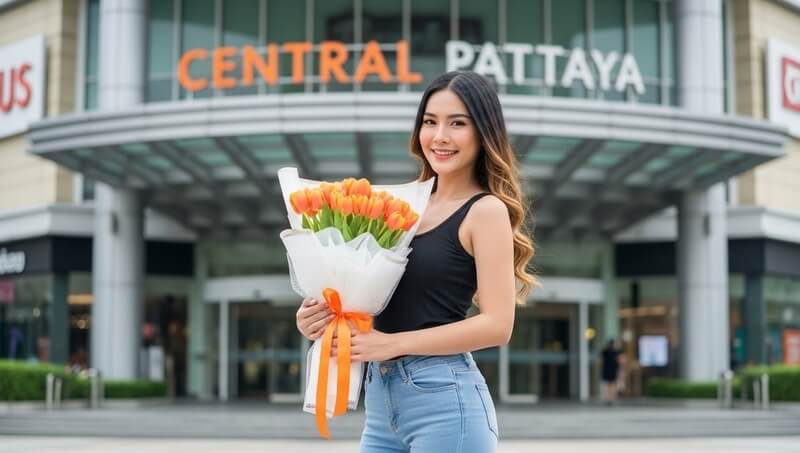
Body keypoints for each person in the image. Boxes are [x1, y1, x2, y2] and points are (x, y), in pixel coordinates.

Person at [295, 71, 537, 452]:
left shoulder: (485, 211)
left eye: (457, 123)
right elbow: (374, 299)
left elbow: (497, 325)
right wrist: (321, 316)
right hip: (381, 401)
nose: (439, 136)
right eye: (430, 121)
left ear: (484, 132)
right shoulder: (404, 206)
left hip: (443, 400)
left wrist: (389, 344)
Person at [601, 339, 621, 405]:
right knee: (613, 384)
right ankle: (612, 398)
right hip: (613, 369)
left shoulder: (605, 351)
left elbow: (602, 361)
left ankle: (609, 398)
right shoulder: (616, 352)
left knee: (609, 385)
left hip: (607, 369)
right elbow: (618, 360)